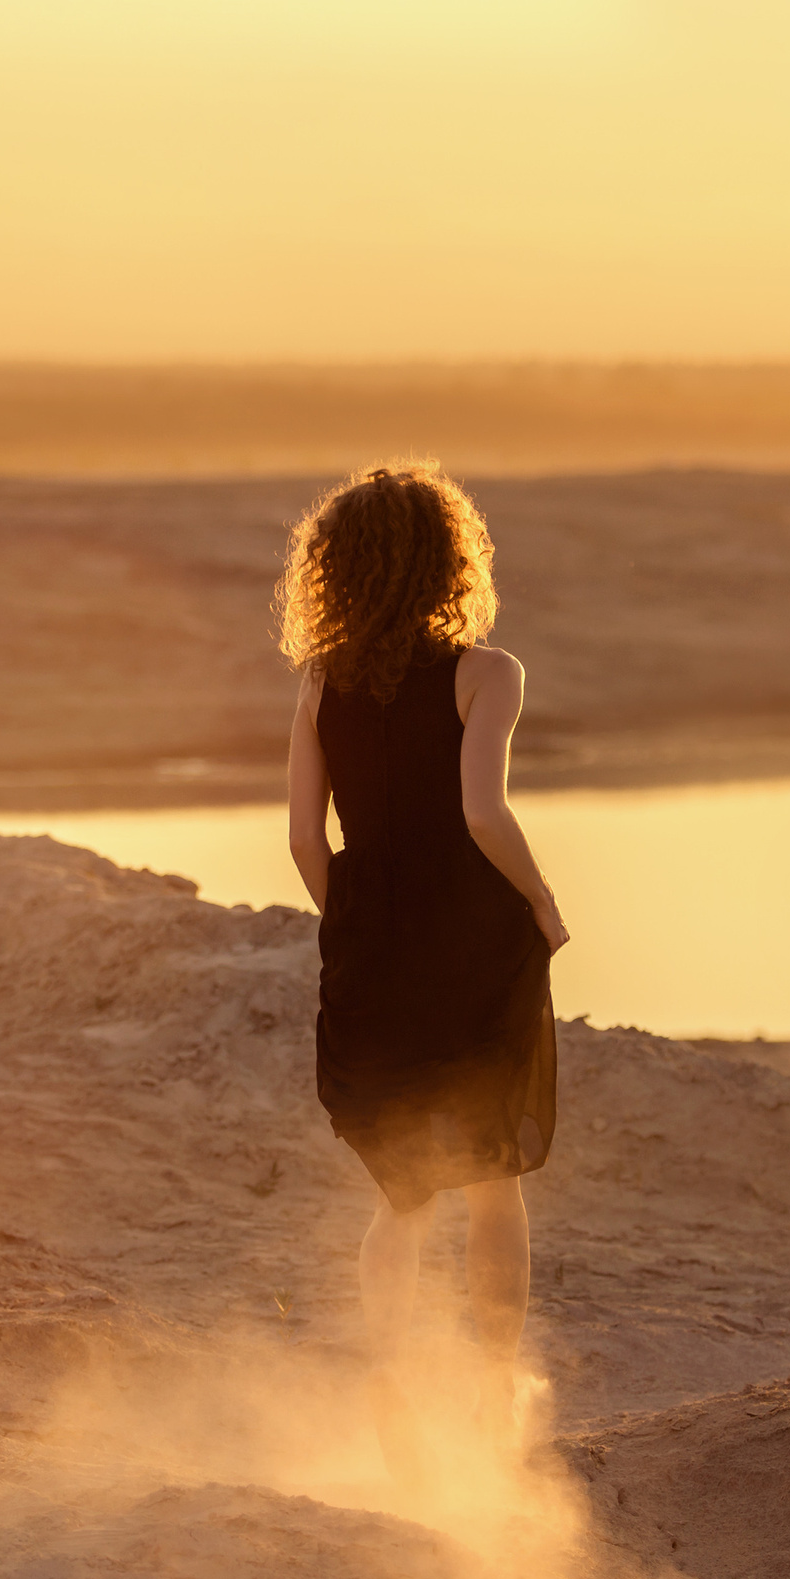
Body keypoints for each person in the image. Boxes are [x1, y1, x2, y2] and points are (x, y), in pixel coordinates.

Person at [279, 463, 570, 1475]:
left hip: (373, 950)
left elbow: (304, 841)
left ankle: (388, 1381)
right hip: (474, 949)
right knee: (494, 1184)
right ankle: (494, 1392)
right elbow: (482, 815)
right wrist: (539, 901)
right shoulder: (487, 673)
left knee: (400, 1198)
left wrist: (361, 926)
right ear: (450, 557)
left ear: (339, 570)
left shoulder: (320, 684)